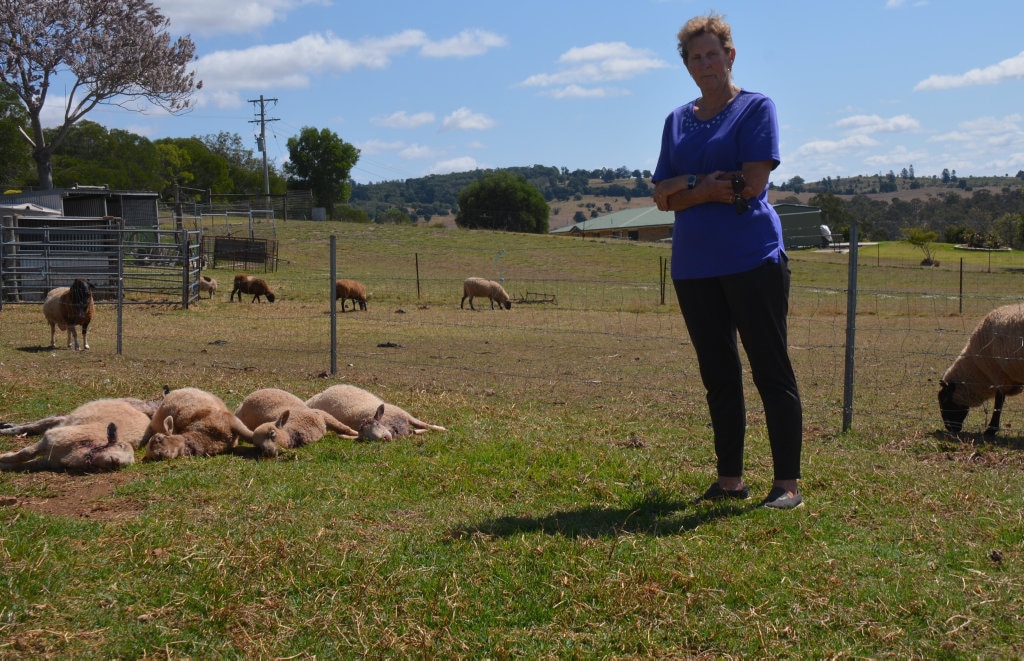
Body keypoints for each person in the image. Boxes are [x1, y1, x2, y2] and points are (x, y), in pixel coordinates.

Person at [652, 12, 804, 509]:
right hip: (694, 266)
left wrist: (686, 188)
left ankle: (786, 486)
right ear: (687, 65)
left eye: (712, 53)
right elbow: (659, 196)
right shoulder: (676, 121)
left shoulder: (756, 109)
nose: (705, 63)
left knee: (769, 369)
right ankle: (730, 482)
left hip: (751, 258)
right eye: (695, 57)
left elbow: (753, 183)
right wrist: (703, 186)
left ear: (730, 56)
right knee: (719, 374)